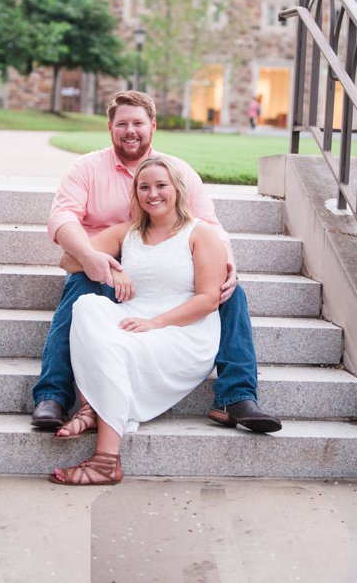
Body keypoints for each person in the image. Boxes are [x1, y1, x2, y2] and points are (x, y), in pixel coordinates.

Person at [30, 90, 281, 435]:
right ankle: (53, 395)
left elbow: (208, 223)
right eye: (122, 124)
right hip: (100, 257)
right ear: (110, 127)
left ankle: (235, 396)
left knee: (229, 292)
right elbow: (61, 219)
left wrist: (228, 264)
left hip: (165, 263)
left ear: (153, 126)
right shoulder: (86, 167)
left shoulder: (175, 171)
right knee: (81, 288)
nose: (130, 130)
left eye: (138, 123)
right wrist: (91, 258)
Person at [50, 156, 228, 485]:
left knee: (115, 346)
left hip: (182, 328)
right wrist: (113, 268)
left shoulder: (200, 234)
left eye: (161, 185)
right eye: (144, 187)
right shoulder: (128, 232)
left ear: (177, 189)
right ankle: (91, 405)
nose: (153, 193)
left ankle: (106, 460)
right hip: (135, 314)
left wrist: (157, 323)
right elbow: (69, 260)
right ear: (136, 194)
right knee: (87, 306)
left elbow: (208, 299)